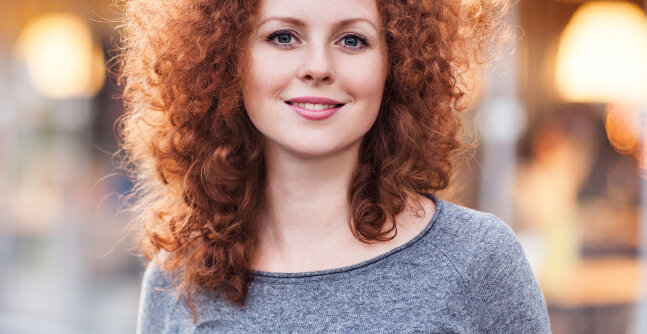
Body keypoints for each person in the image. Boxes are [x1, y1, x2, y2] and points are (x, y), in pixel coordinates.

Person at [118, 0, 550, 332]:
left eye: (352, 40)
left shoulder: (477, 260)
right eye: (284, 36)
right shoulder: (177, 283)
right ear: (226, 57)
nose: (318, 67)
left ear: (395, 65)